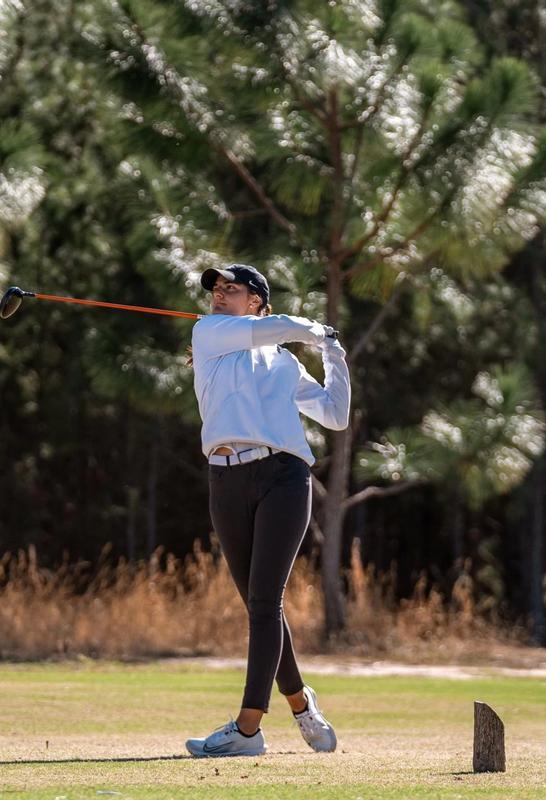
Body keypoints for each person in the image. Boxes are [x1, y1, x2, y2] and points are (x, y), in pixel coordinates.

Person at [184, 264, 350, 758]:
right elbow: (272, 331)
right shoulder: (208, 333)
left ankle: (248, 729)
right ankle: (301, 703)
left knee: (263, 603)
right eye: (215, 289)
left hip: (283, 477)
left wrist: (333, 354)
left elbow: (334, 416)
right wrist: (312, 330)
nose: (218, 295)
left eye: (230, 289)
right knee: (261, 606)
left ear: (257, 300)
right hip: (224, 478)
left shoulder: (283, 364)